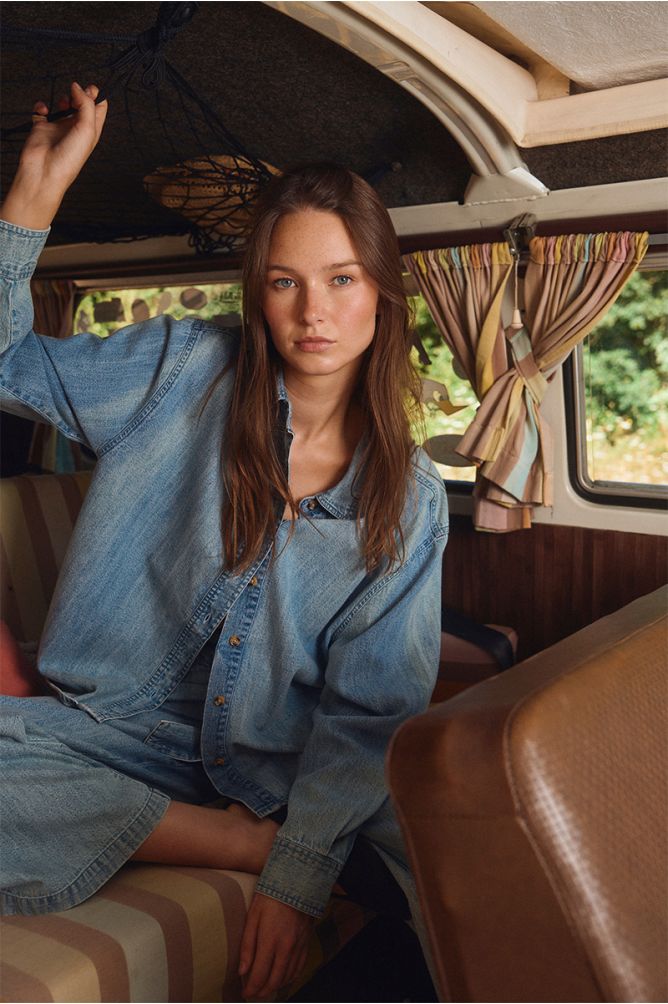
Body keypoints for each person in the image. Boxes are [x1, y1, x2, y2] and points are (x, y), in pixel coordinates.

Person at [0, 82, 448, 999]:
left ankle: (269, 840)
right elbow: (8, 365)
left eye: (341, 280)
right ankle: (226, 840)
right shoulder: (180, 369)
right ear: (258, 293)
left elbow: (368, 713)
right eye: (285, 281)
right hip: (103, 735)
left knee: (425, 902)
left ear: (379, 293)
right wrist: (33, 200)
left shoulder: (410, 500)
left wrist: (301, 872)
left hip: (271, 767)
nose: (312, 312)